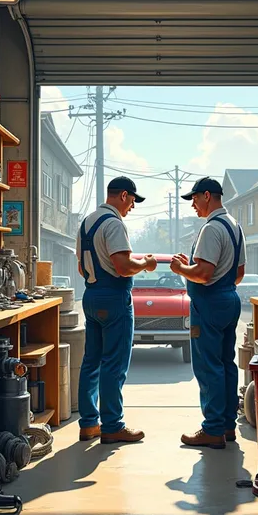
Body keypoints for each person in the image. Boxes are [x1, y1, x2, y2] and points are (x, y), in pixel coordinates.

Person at [76, 176, 157, 444]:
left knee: (92, 361)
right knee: (114, 364)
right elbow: (122, 266)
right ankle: (112, 425)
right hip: (114, 298)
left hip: (91, 295)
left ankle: (88, 424)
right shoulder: (114, 224)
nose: (132, 206)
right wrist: (144, 263)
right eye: (133, 200)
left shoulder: (87, 223)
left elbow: (81, 266)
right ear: (123, 195)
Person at [170, 177, 246, 449]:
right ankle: (227, 425)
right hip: (229, 299)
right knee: (226, 363)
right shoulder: (235, 226)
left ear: (206, 195)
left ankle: (212, 429)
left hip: (210, 303)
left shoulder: (211, 229)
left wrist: (181, 269)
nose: (192, 205)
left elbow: (203, 273)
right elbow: (239, 273)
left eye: (194, 199)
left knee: (207, 365)